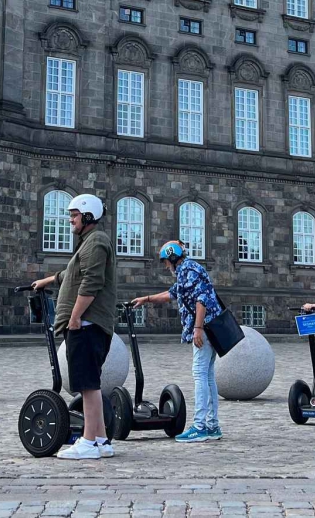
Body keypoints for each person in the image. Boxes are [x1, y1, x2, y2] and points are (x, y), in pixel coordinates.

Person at [29, 193, 116, 461]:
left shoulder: (96, 242)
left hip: (87, 324)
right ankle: (101, 440)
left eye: (74, 215)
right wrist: (47, 280)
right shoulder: (90, 243)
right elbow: (73, 274)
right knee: (91, 383)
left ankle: (88, 442)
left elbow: (91, 282)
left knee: (87, 384)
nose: (70, 220)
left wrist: (75, 317)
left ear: (88, 216)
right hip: (88, 324)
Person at [131, 240, 226, 442]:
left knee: (200, 374)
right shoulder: (187, 270)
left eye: (166, 261)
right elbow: (172, 293)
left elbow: (202, 300)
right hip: (210, 327)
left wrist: (198, 329)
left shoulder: (188, 269)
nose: (166, 266)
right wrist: (146, 299)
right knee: (207, 376)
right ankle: (212, 426)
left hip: (206, 328)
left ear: (173, 257)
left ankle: (200, 426)